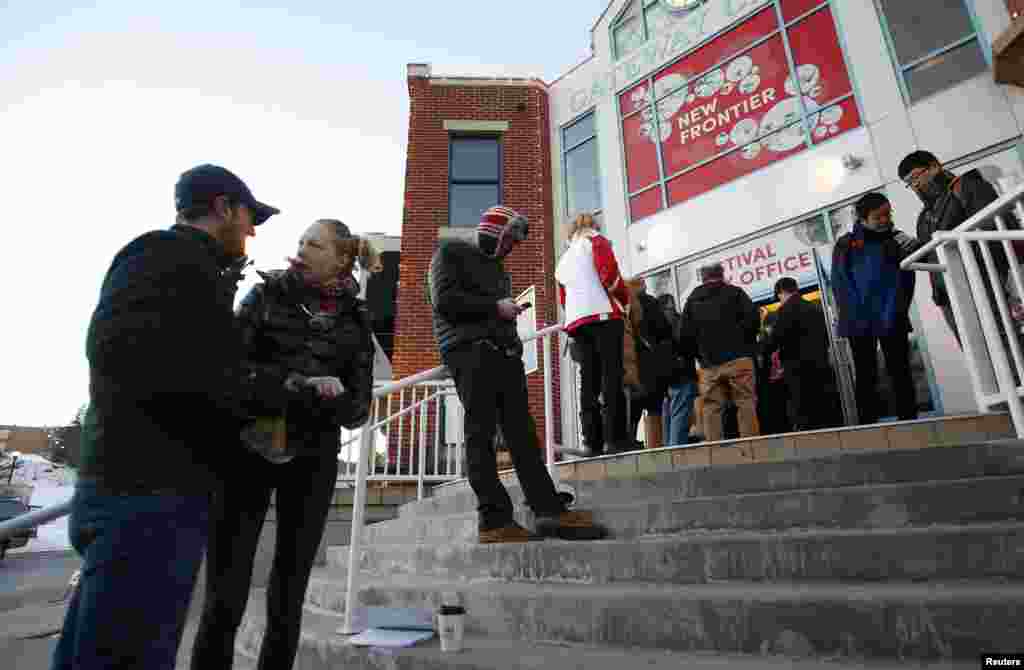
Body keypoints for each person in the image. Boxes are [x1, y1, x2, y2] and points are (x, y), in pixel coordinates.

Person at [53, 165, 284, 670]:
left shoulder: (196, 269)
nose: (251, 231)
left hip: (156, 493)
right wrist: (242, 394)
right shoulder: (162, 254)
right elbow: (119, 352)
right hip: (145, 494)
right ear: (224, 207)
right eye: (249, 217)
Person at [190, 220, 379, 670]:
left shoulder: (356, 319)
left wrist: (333, 397)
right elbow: (228, 371)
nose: (302, 249)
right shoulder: (264, 295)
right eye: (300, 242)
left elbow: (358, 409)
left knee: (290, 590)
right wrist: (296, 384)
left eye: (314, 245)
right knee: (226, 589)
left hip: (313, 457)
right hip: (246, 449)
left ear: (340, 259)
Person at [431, 205, 606, 543]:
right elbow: (445, 301)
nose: (512, 247)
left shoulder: (498, 270)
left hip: (503, 354)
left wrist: (511, 335)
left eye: (515, 242)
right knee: (481, 434)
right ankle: (494, 521)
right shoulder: (450, 252)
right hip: (469, 351)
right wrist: (495, 308)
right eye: (509, 239)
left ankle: (549, 511)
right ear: (493, 231)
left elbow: (497, 313)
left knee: (523, 437)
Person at [898, 150, 1006, 344]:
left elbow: (993, 230)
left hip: (984, 284)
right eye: (909, 183)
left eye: (916, 177)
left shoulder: (968, 187)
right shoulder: (924, 217)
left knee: (1003, 344)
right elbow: (932, 257)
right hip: (948, 297)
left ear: (934, 167)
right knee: (976, 354)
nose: (915, 185)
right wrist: (913, 249)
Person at [832, 192, 920, 424]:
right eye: (877, 217)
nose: (884, 220)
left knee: (900, 370)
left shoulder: (897, 239)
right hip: (859, 318)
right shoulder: (846, 244)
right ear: (862, 218)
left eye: (887, 214)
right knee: (866, 373)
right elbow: (840, 282)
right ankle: (868, 424)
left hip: (893, 313)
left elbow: (913, 270)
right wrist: (852, 314)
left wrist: (913, 246)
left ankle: (910, 421)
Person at [555, 212, 632, 456]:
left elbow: (564, 299)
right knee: (611, 377)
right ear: (594, 226)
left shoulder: (564, 259)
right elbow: (610, 276)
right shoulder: (597, 241)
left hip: (577, 323)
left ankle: (592, 441)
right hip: (603, 315)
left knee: (588, 382)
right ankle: (614, 439)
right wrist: (625, 301)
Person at [679, 263, 761, 441]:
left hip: (709, 365)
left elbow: (685, 336)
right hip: (739, 359)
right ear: (722, 274)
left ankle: (715, 449)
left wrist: (700, 355)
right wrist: (744, 343)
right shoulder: (736, 293)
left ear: (703, 278)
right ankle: (751, 446)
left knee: (711, 407)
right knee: (745, 401)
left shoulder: (693, 300)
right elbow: (754, 320)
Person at [761, 278, 841, 431]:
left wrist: (765, 350)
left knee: (803, 408)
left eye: (778, 296)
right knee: (824, 404)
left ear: (781, 292)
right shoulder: (816, 308)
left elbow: (775, 340)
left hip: (797, 367)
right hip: (820, 362)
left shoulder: (784, 311)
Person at [623, 278, 674, 449]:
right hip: (652, 364)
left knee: (633, 410)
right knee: (654, 409)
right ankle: (655, 448)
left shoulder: (624, 306)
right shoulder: (650, 303)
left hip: (633, 365)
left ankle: (629, 444)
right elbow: (665, 331)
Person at [658, 294, 698, 447]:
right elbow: (688, 345)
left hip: (665, 377)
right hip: (682, 374)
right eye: (670, 307)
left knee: (669, 414)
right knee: (680, 416)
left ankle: (669, 449)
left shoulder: (655, 325)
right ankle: (675, 450)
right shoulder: (678, 322)